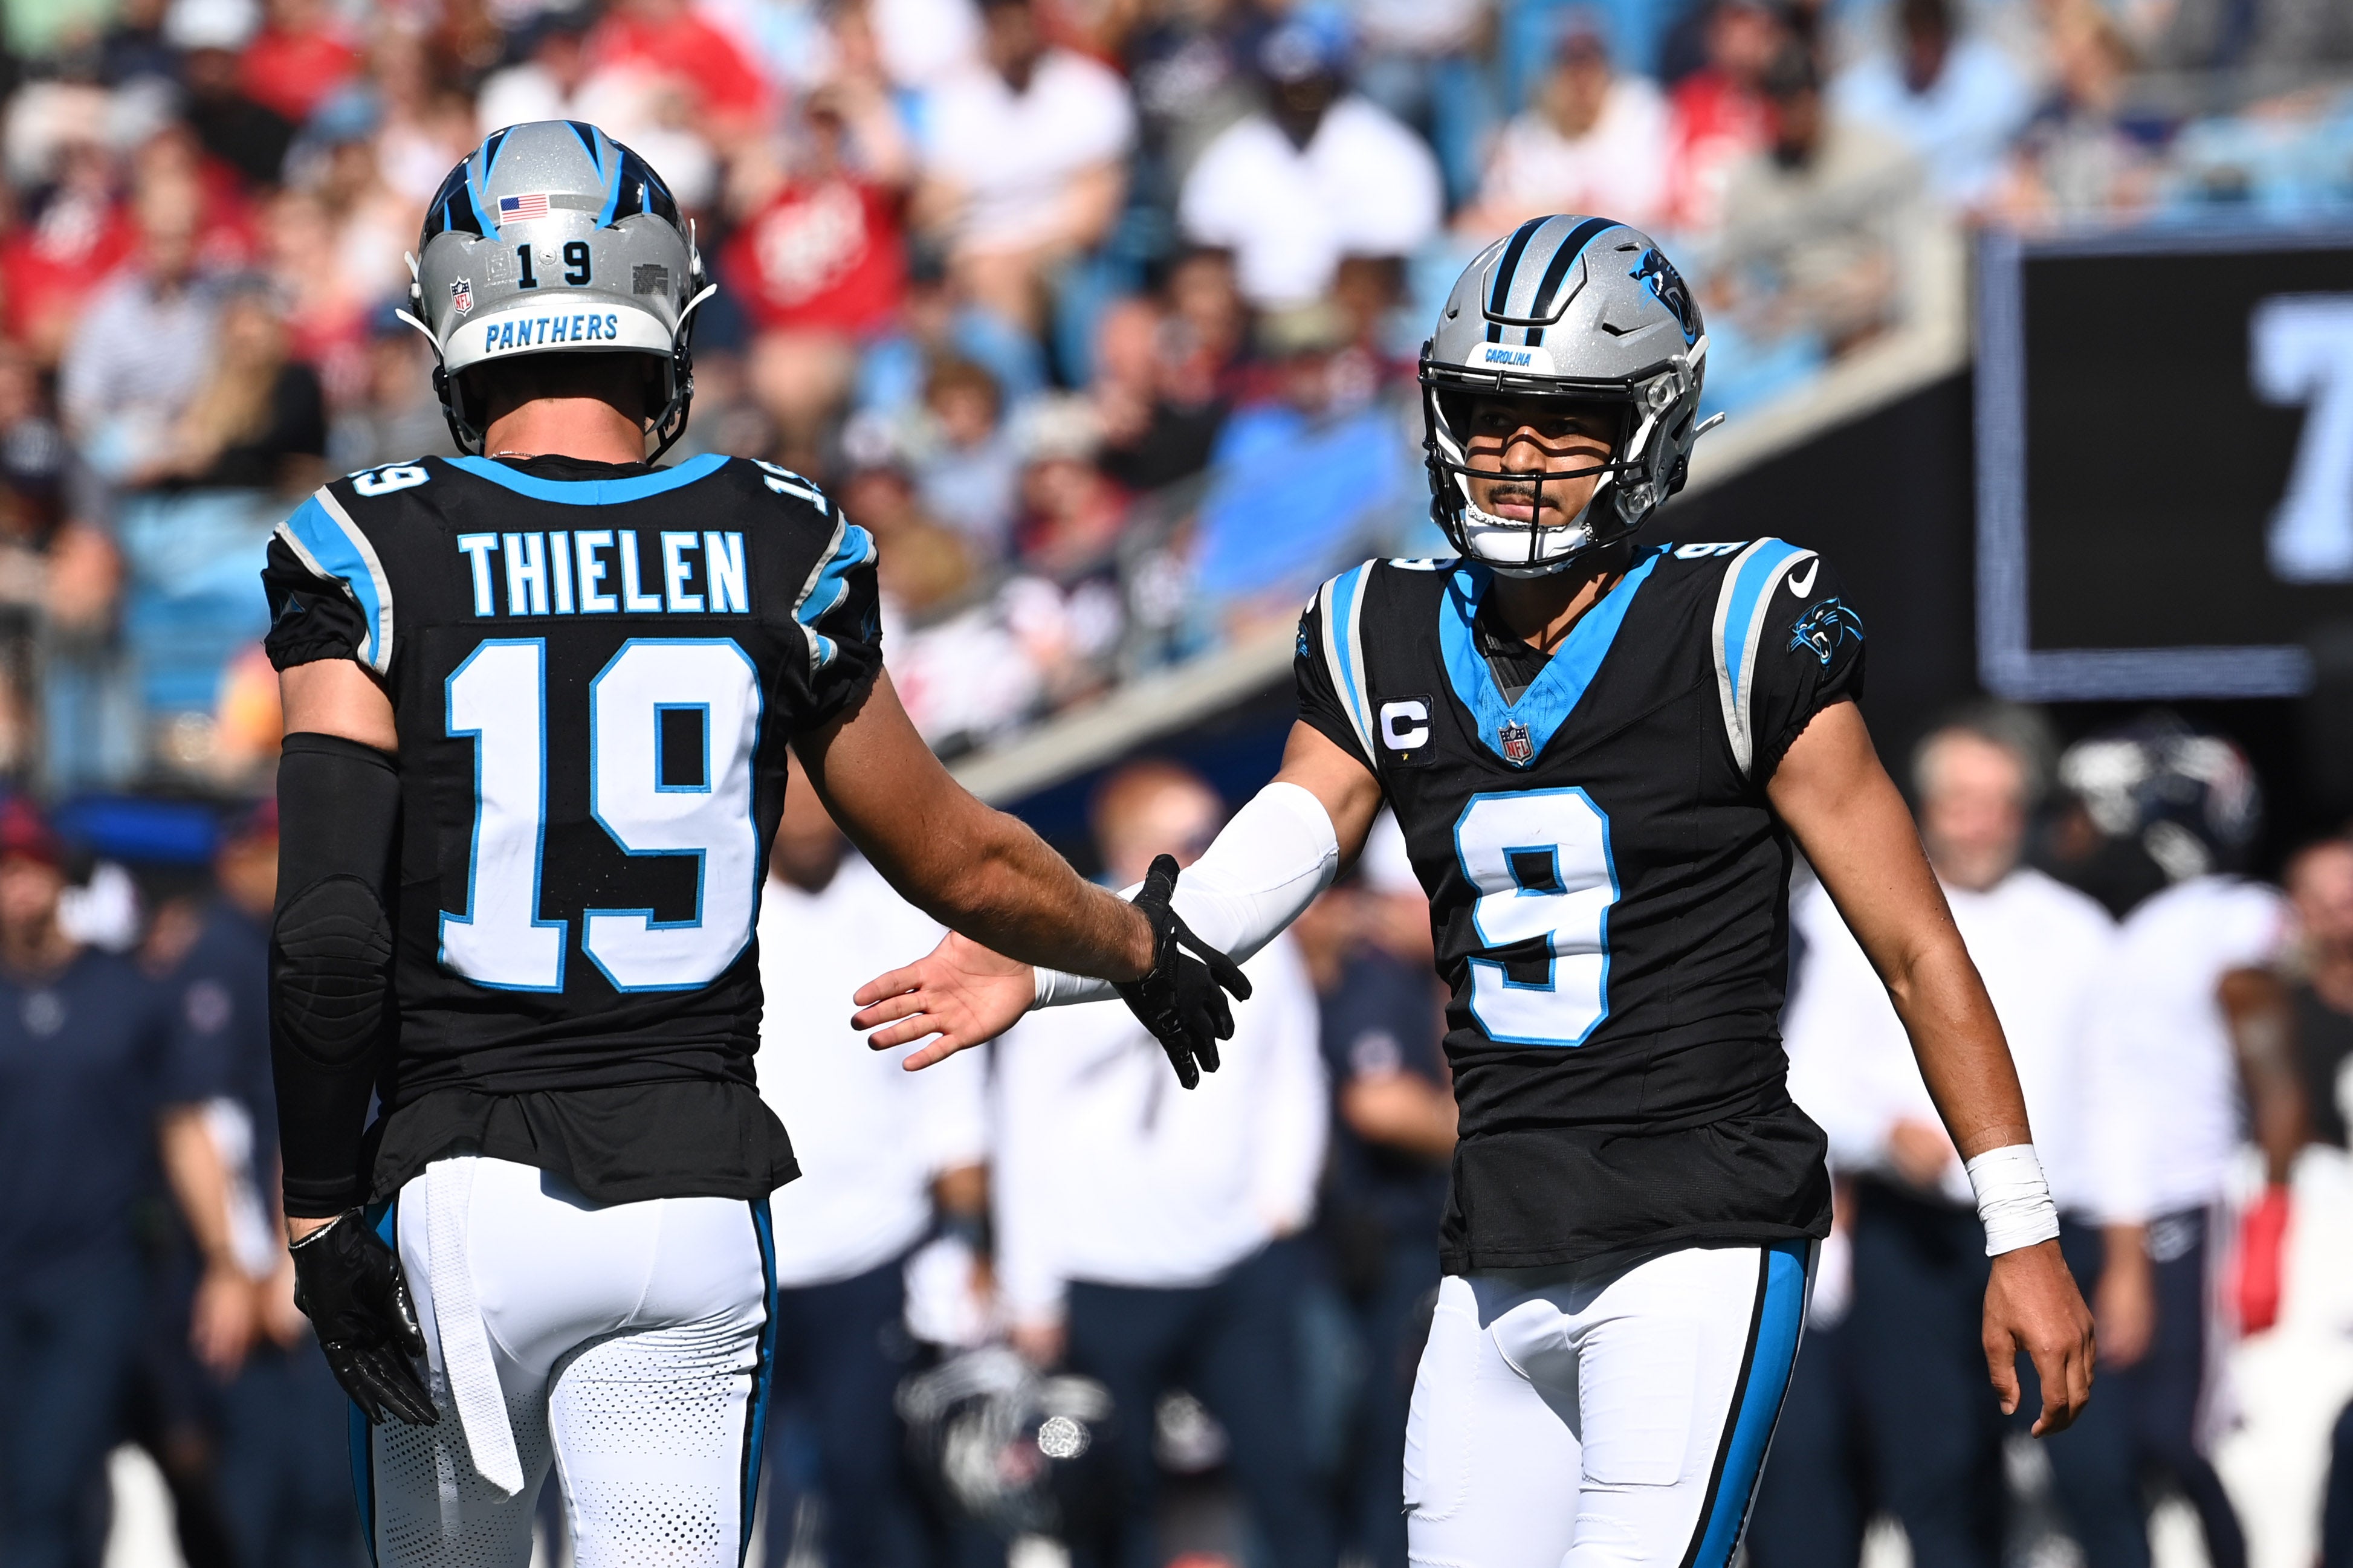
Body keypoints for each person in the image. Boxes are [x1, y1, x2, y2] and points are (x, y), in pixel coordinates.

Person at [856, 213, 2097, 1565]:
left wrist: (2017, 1228)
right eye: (1489, 413)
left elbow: (1915, 948)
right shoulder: (1377, 624)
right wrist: (1048, 964)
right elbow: (1259, 867)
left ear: (1651, 423)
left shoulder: (1739, 626)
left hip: (1696, 1236)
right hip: (1493, 1240)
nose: (1513, 457)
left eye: (1561, 421)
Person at [256, 121, 1244, 1568]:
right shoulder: (778, 534)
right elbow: (956, 859)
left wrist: (319, 1213)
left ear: (453, 321)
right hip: (691, 1195)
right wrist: (1138, 944)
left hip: (460, 1181)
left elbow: (330, 926)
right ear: (663, 306)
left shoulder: (368, 541)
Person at [1778, 707, 2144, 1568]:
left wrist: (2130, 1263)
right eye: (1960, 801)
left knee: (2099, 1470)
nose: (1979, 822)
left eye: (1999, 802)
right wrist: (1880, 1134)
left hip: (2059, 1235)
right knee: (1935, 1473)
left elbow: (2120, 1104)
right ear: (1923, 806)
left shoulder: (2079, 931)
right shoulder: (1841, 919)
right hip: (1920, 1238)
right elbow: (1806, 1082)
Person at [990, 760, 1329, 1568]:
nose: (1218, 851)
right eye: (1196, 837)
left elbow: (1292, 1073)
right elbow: (1021, 1127)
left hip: (1235, 1260)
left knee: (1288, 1478)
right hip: (1107, 1272)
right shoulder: (1062, 945)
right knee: (1118, 1504)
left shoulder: (1257, 938)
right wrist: (1029, 1285)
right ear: (1143, 849)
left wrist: (1283, 1195)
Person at [756, 756, 988, 1568]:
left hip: (873, 1250)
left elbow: (947, 1083)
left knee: (872, 1480)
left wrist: (965, 1244)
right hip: (749, 1262)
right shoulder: (721, 916)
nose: (814, 808)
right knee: (746, 1502)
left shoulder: (896, 907)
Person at [0, 798, 220, 1568]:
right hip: (7, 1272)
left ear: (58, 876)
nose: (13, 886)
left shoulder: (126, 992)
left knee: (48, 1483)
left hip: (96, 1273)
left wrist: (228, 1261)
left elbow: (184, 1130)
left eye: (24, 867)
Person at [2073, 718, 2272, 1568]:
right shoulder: (2138, 927)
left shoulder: (2238, 918)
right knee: (2122, 1442)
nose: (2073, 833)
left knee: (2188, 1432)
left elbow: (2279, 1078)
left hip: (2197, 1205)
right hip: (2132, 1209)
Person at [160, 800, 364, 1568]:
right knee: (264, 1503)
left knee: (324, 1499)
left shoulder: (310, 948)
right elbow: (205, 1122)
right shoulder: (222, 952)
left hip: (315, 1257)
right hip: (265, 1272)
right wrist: (246, 1262)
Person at [1306, 813, 1449, 1568]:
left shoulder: (1435, 978)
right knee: (1406, 1448)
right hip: (1395, 1249)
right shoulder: (1378, 976)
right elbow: (1380, 1103)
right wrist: (1500, 1135)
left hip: (1431, 1238)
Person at [1176, 8, 1442, 309]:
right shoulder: (1236, 152)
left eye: (1309, 86)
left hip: (1351, 326)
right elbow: (1206, 244)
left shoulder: (1389, 151)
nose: (1298, 98)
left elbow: (1398, 255)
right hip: (1254, 326)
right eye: (1286, 87)